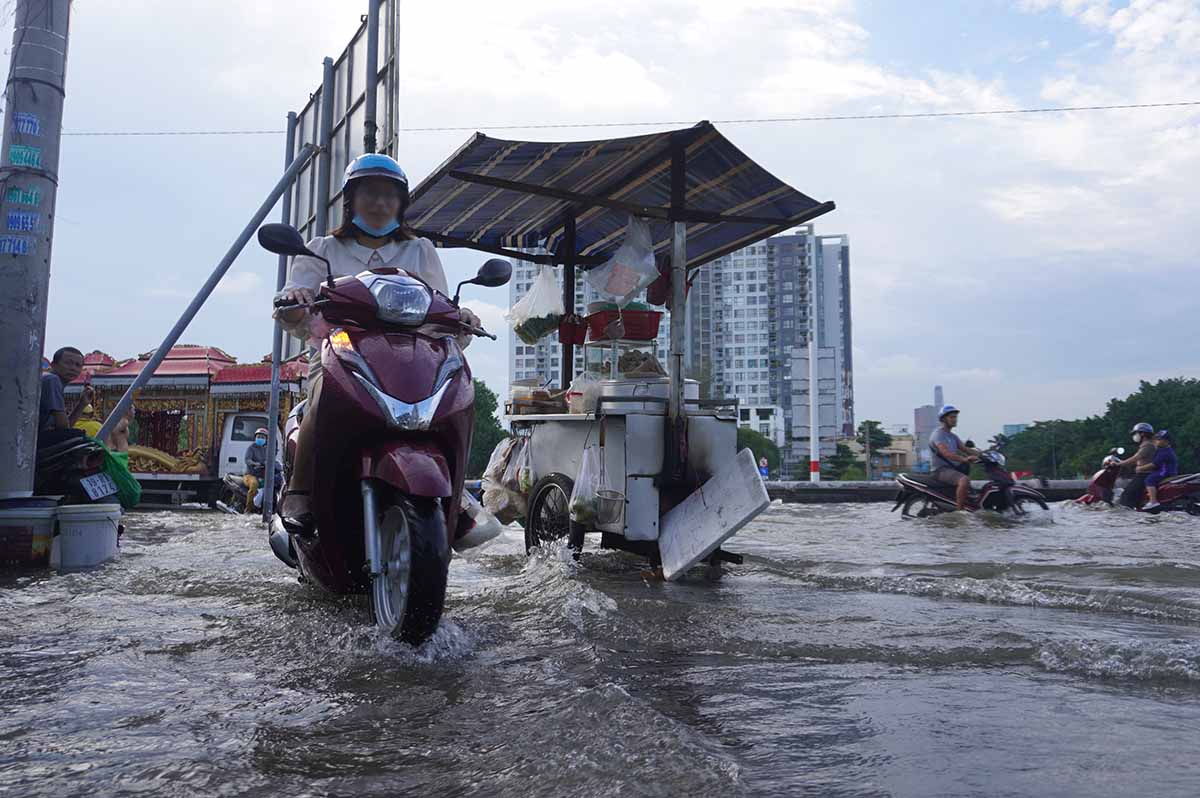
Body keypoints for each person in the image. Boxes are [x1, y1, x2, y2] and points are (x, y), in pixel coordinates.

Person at [274, 153, 479, 533]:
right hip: (341, 351)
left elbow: (442, 305)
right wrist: (294, 301)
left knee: (460, 396)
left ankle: (459, 496)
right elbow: (291, 298)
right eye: (371, 193)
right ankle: (300, 492)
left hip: (412, 358)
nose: (381, 203)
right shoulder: (322, 249)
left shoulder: (420, 250)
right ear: (351, 199)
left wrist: (461, 317)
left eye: (390, 195)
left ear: (401, 203)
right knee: (322, 392)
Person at [929, 404, 981, 511]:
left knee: (974, 491)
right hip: (940, 470)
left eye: (955, 417)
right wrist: (964, 459)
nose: (955, 420)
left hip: (952, 470)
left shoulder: (953, 436)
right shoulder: (938, 434)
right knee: (964, 480)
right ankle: (960, 512)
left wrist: (985, 455)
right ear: (943, 419)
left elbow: (966, 449)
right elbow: (946, 453)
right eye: (951, 417)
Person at [39, 347, 92, 447]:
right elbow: (63, 426)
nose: (73, 368)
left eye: (78, 365)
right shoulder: (52, 380)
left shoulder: (56, 382)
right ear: (53, 365)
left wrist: (82, 404)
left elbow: (65, 428)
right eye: (68, 363)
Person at [1115, 422, 1156, 508]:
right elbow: (1138, 459)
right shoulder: (1148, 444)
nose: (1135, 436)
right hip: (1144, 473)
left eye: (1136, 433)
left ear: (1142, 434)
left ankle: (1129, 513)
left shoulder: (1148, 445)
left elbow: (1135, 458)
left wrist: (1119, 464)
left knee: (1126, 497)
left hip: (1144, 474)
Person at [1142, 430, 1178, 511]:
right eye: (1156, 439)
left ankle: (1153, 501)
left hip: (1166, 472)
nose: (1156, 441)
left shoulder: (1165, 452)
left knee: (1149, 480)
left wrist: (1141, 468)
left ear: (1166, 441)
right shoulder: (1161, 449)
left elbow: (1154, 464)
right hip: (1162, 470)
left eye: (1159, 439)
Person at [243, 427, 269, 513]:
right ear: (255, 438)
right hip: (250, 475)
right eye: (258, 437)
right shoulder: (251, 448)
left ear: (266, 439)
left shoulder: (267, 449)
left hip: (262, 475)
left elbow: (271, 460)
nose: (260, 439)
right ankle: (248, 509)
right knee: (254, 484)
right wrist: (255, 463)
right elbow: (247, 460)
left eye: (263, 437)